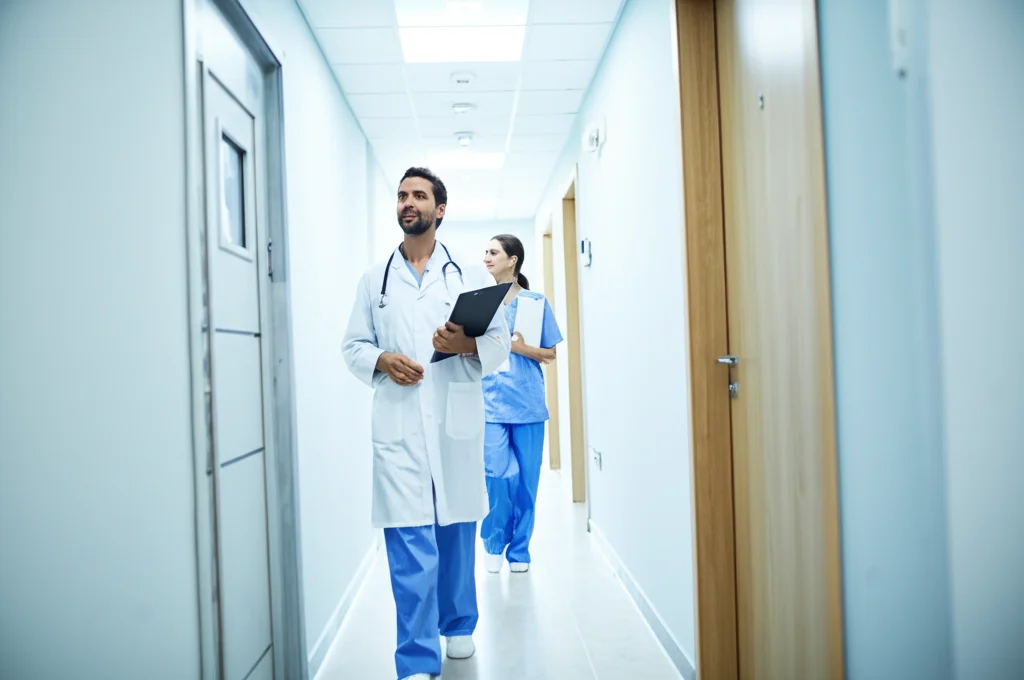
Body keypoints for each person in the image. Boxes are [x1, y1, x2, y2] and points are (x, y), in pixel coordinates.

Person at [342, 167, 511, 680]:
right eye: (401, 195)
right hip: (399, 425)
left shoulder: (470, 278)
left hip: (453, 424)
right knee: (409, 541)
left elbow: (500, 347)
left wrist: (461, 345)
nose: (408, 202)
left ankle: (458, 625)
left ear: (440, 210)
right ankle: (416, 658)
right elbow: (352, 346)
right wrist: (382, 360)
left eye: (419, 195)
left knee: (457, 530)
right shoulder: (376, 280)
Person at [479, 234, 564, 575]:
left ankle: (520, 550)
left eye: (493, 252)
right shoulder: (479, 302)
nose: (486, 257)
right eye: (486, 251)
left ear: (512, 260)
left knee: (527, 480)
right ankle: (494, 541)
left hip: (527, 403)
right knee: (496, 474)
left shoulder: (534, 302)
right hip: (489, 403)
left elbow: (549, 354)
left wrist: (515, 347)